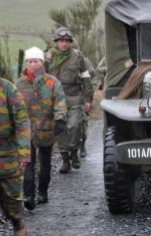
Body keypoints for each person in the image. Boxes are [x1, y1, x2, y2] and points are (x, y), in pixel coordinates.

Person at [16, 46, 67, 210]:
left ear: (42, 62)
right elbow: (13, 105)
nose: (32, 64)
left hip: (46, 128)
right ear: (26, 62)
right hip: (25, 131)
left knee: (45, 162)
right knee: (28, 163)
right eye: (30, 61)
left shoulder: (52, 82)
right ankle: (29, 196)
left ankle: (43, 192)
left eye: (36, 61)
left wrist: (60, 117)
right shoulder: (19, 83)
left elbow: (60, 100)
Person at [45, 27, 94, 173]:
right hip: (56, 98)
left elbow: (86, 78)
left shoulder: (78, 57)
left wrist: (88, 99)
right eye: (61, 41)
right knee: (61, 129)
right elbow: (40, 78)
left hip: (74, 96)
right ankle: (65, 159)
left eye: (67, 41)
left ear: (70, 42)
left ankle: (74, 151)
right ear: (56, 42)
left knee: (74, 125)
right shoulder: (49, 57)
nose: (64, 44)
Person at [0, 77, 31, 236]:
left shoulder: (7, 89)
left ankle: (19, 228)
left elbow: (22, 123)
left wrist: (24, 153)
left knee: (14, 211)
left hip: (8, 159)